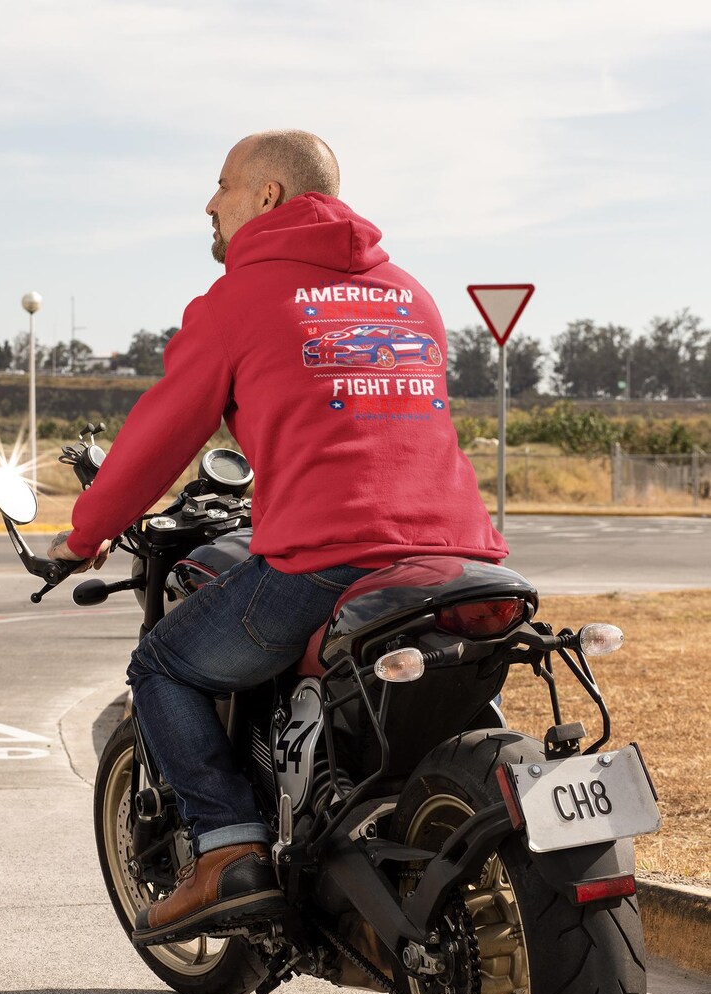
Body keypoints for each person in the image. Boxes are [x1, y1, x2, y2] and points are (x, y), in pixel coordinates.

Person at [48, 129, 508, 946]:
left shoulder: (241, 298)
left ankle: (228, 851)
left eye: (221, 184)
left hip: (330, 561)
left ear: (266, 196)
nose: (208, 203)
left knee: (163, 662)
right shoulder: (409, 292)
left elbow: (157, 439)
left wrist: (82, 536)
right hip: (456, 556)